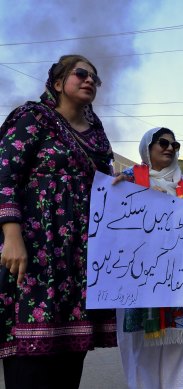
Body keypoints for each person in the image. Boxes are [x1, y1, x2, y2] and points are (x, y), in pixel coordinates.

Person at [0, 55, 116, 389]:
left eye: (95, 77)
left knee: (68, 360)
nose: (89, 80)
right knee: (30, 364)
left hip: (78, 262)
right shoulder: (32, 118)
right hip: (34, 252)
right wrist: (12, 235)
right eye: (81, 74)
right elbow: (5, 175)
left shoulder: (97, 135)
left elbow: (104, 186)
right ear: (57, 83)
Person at [113, 127, 183, 389]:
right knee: (140, 342)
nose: (169, 148)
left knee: (177, 340)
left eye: (174, 145)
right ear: (147, 147)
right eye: (163, 143)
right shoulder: (128, 180)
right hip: (138, 276)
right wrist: (113, 193)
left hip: (174, 273)